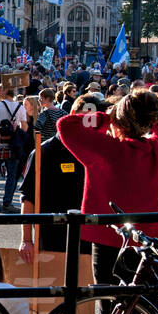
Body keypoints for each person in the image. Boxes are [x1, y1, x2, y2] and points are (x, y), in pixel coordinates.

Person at [57, 90, 158, 284]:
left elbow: (66, 125)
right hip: (146, 238)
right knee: (151, 302)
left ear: (119, 121)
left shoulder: (107, 149)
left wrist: (106, 117)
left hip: (107, 236)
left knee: (111, 304)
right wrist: (145, 116)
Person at [19, 95, 99, 263]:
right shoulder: (45, 152)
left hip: (87, 239)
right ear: (72, 115)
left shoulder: (94, 151)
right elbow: (28, 199)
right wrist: (26, 240)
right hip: (51, 237)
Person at [0, 84, 27, 213]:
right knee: (11, 175)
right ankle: (7, 203)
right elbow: (25, 127)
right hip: (13, 143)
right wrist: (15, 130)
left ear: (4, 93)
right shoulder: (20, 107)